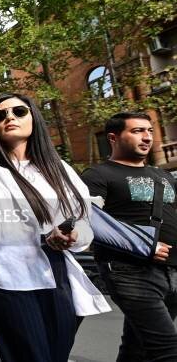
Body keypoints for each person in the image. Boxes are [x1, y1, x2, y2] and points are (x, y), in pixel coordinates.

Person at [0, 93, 110, 362]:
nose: (9, 117)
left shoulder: (58, 168)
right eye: (0, 115)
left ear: (34, 117)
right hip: (4, 276)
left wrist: (70, 236)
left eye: (18, 111)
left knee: (55, 355)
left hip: (55, 273)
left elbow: (83, 220)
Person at [81, 112, 177, 361]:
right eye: (137, 131)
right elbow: (87, 221)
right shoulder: (98, 175)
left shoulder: (164, 176)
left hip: (172, 271)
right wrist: (142, 244)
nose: (147, 137)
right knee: (166, 347)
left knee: (137, 347)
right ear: (113, 138)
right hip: (128, 272)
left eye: (149, 131)